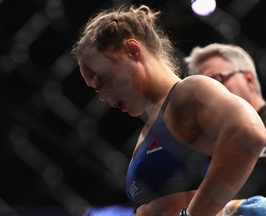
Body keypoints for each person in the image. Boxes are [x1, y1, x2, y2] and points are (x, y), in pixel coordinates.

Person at [71, 4, 266, 216]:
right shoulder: (147, 132)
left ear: (132, 51)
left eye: (103, 79)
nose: (102, 95)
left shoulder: (189, 92)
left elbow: (249, 133)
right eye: (95, 89)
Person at [185, 43, 266, 199]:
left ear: (248, 79)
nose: (212, 96)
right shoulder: (205, 156)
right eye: (202, 92)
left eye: (217, 80)